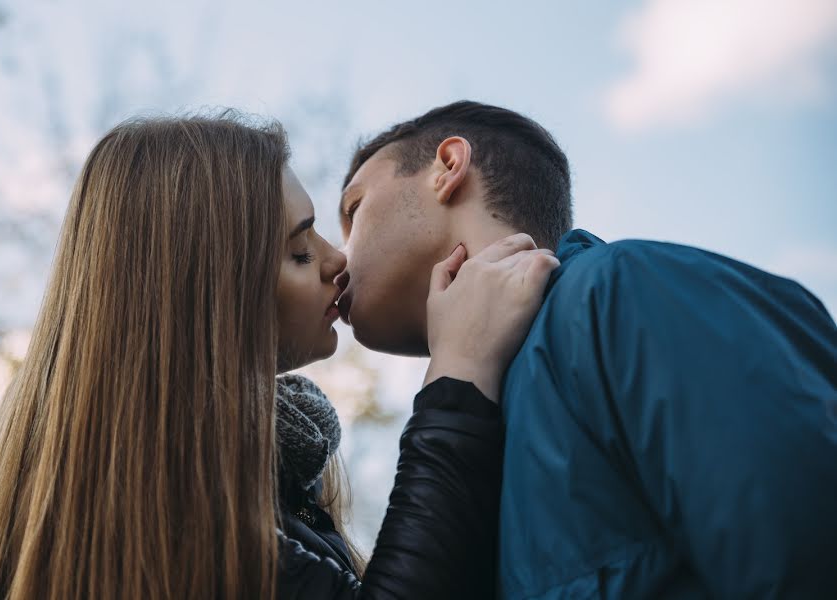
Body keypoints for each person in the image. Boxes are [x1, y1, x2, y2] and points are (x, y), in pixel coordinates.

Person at [0, 111, 558, 600]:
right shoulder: (181, 525)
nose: (336, 260)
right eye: (298, 252)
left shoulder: (250, 480)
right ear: (204, 288)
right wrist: (458, 381)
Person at [337, 100, 837, 599]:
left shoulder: (622, 294)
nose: (337, 259)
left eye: (353, 211)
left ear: (448, 168)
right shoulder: (476, 422)